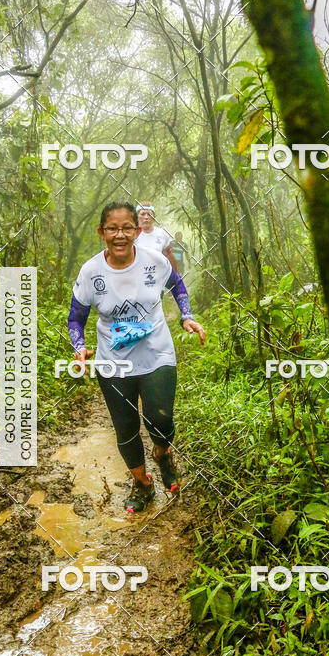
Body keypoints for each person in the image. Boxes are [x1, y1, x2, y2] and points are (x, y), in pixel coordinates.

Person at [68, 201, 205, 513]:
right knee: (125, 427)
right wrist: (79, 346)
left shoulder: (154, 261)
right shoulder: (91, 272)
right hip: (112, 360)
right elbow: (75, 318)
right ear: (102, 232)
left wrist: (186, 316)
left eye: (127, 228)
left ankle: (161, 453)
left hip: (156, 352)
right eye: (112, 229)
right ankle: (142, 483)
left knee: (160, 418)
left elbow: (177, 284)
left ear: (137, 230)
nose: (120, 235)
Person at [136, 201, 179, 271]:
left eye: (150, 214)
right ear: (136, 217)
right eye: (143, 214)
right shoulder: (130, 234)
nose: (146, 217)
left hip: (158, 277)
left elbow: (170, 256)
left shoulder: (162, 234)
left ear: (154, 217)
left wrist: (177, 278)